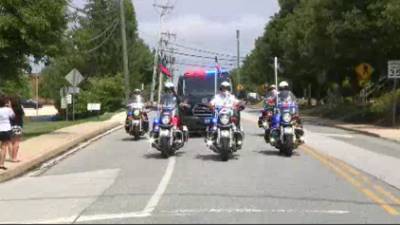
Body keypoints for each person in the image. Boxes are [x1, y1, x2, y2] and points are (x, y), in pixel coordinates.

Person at [0, 96, 15, 170]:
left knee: (3, 146)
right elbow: (13, 116)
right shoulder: (8, 109)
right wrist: (10, 106)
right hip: (6, 129)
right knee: (3, 147)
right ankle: (1, 164)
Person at [9, 96, 24, 163]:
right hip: (18, 126)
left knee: (11, 142)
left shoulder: (10, 109)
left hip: (10, 126)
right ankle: (14, 157)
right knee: (16, 143)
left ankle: (12, 156)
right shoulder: (20, 109)